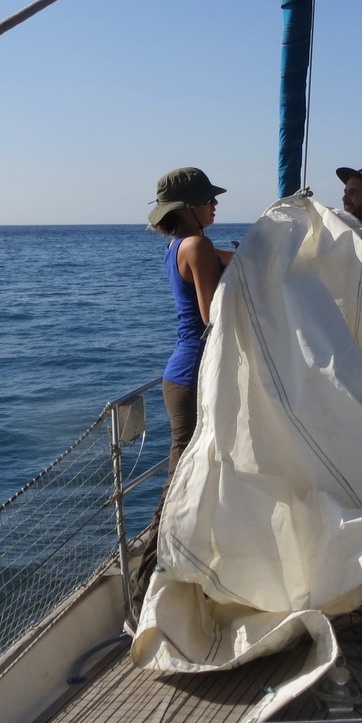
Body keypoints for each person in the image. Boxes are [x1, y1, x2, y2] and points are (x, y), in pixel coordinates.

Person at [134, 166, 231, 606]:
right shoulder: (198, 244)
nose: (215, 203)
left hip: (179, 374)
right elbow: (214, 319)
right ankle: (145, 590)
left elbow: (215, 262)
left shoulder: (179, 245)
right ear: (188, 208)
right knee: (180, 481)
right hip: (195, 375)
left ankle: (172, 576)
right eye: (207, 199)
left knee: (186, 474)